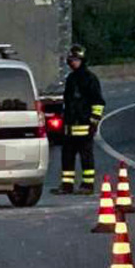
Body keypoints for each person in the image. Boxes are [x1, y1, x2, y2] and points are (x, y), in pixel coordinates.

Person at [52, 44, 105, 195]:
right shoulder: (71, 79)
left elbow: (98, 102)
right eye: (71, 60)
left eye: (76, 60)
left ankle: (87, 185)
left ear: (82, 60)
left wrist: (93, 122)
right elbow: (68, 103)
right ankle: (67, 185)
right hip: (69, 127)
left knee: (86, 157)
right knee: (67, 157)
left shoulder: (90, 79)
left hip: (84, 127)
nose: (73, 62)